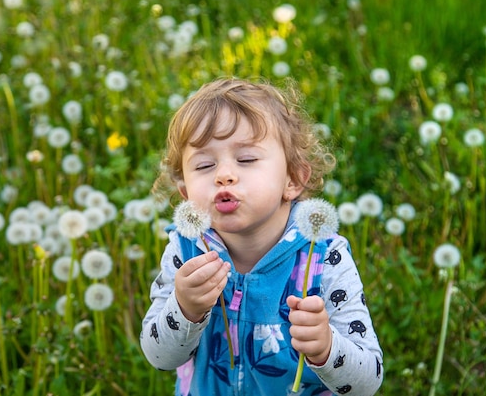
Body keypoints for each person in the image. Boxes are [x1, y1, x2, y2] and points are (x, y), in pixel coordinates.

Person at [140, 78, 383, 395]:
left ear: (292, 179)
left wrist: (325, 348)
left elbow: (368, 382)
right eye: (204, 164)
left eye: (247, 159)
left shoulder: (323, 257)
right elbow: (159, 356)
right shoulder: (186, 251)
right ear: (185, 194)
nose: (223, 174)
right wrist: (184, 307)